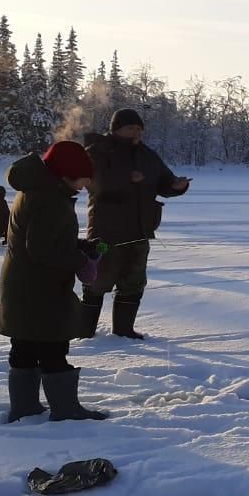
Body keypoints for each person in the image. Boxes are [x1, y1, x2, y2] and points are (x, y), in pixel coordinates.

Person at [0, 141, 107, 422]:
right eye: (83, 177)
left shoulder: (37, 190)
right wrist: (82, 260)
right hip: (40, 288)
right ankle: (66, 411)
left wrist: (79, 246)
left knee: (25, 346)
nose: (86, 184)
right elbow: (43, 249)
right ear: (66, 174)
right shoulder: (50, 199)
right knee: (53, 346)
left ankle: (24, 408)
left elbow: (42, 241)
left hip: (22, 284)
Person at [80, 108, 191, 339]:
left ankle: (124, 331)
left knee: (133, 283)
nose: (136, 132)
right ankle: (84, 331)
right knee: (97, 282)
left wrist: (176, 186)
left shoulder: (147, 155)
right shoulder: (98, 151)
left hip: (140, 232)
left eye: (139, 128)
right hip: (105, 233)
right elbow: (92, 183)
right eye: (131, 127)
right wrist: (126, 178)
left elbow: (164, 182)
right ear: (116, 128)